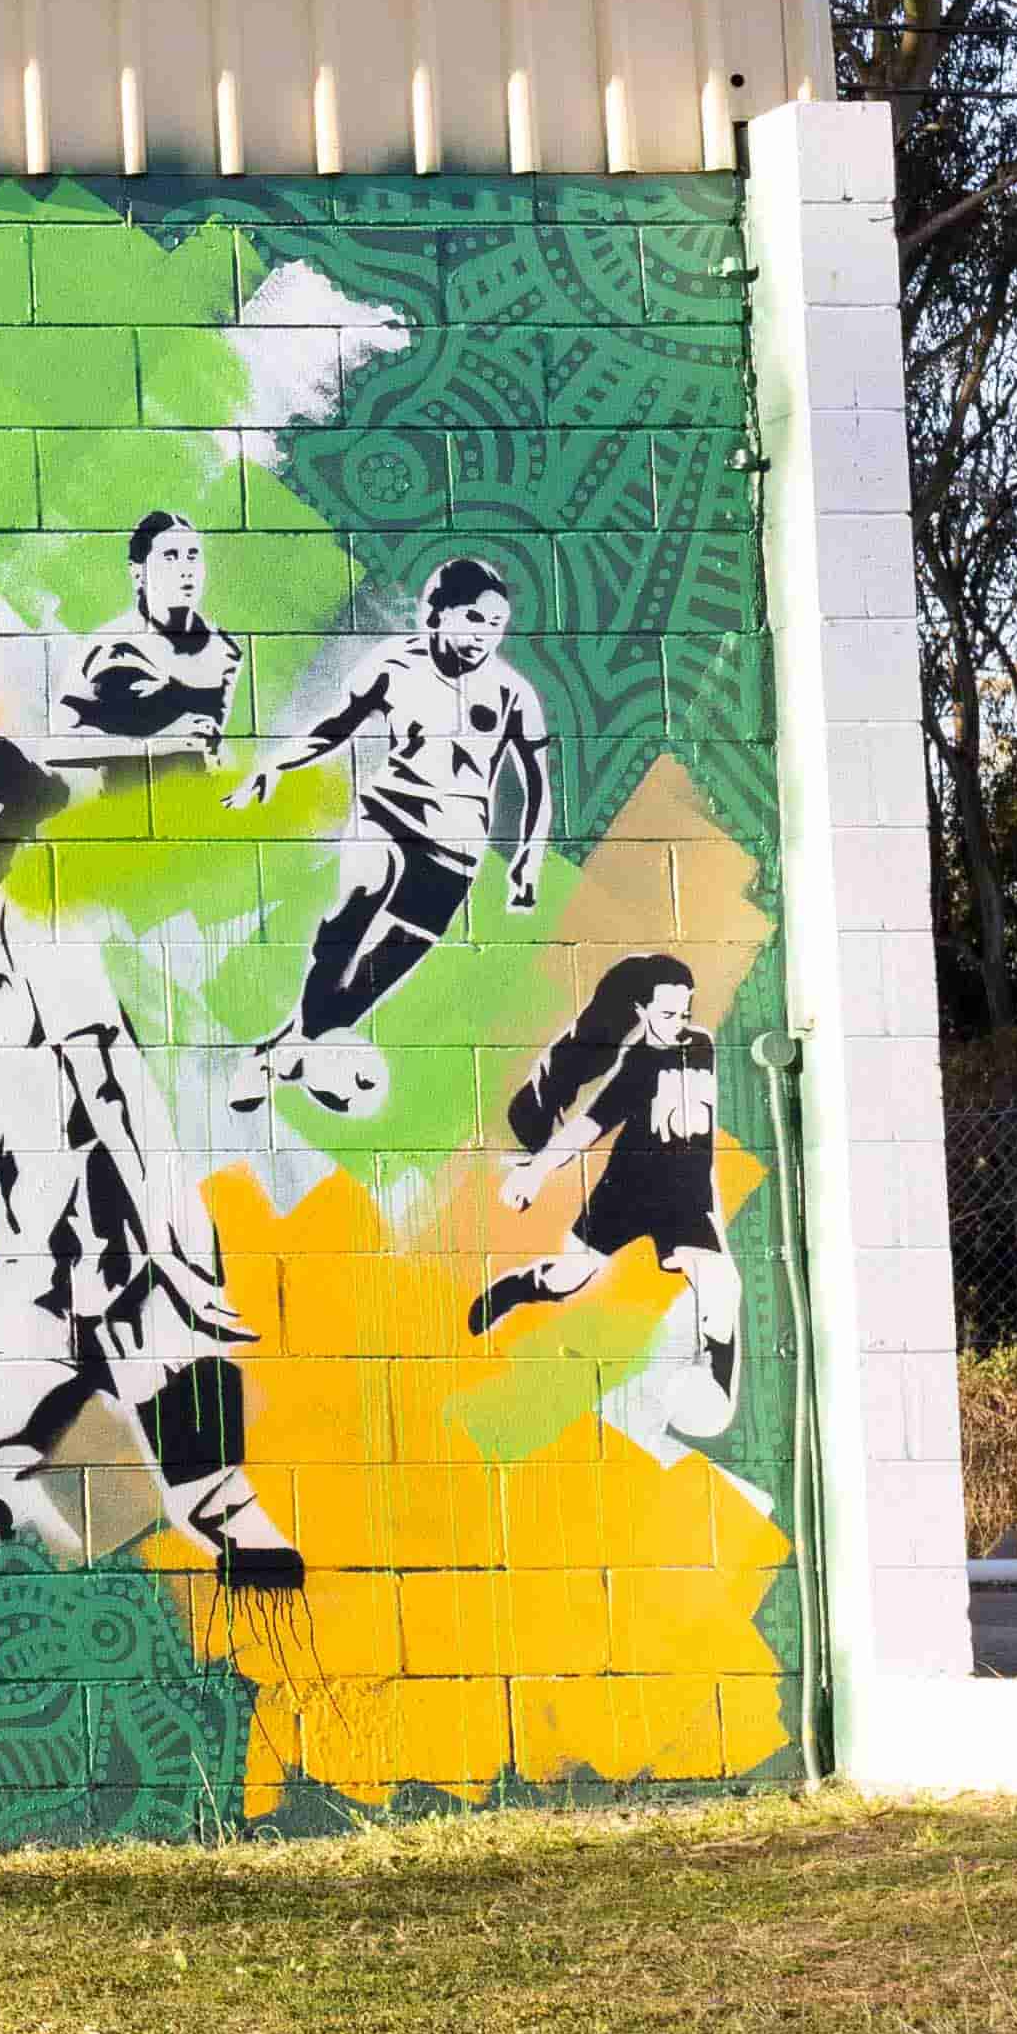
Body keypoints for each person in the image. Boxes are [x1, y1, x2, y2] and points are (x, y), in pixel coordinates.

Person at [0, 725, 305, 1589]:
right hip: (35, 1262)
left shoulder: (41, 925)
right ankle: (80, 1610)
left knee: (214, 1499)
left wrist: (174, 1261)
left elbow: (115, 1096)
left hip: (128, 1249)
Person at [229, 556, 557, 1117]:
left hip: (456, 849)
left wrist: (528, 860)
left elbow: (537, 788)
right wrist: (274, 765)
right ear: (440, 611)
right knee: (357, 902)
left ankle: (284, 1051)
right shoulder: (394, 665)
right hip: (388, 813)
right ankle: (291, 1052)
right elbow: (333, 729)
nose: (485, 636)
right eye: (475, 618)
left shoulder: (512, 693)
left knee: (382, 972)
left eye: (497, 626)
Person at [474, 956, 740, 1443]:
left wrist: (707, 1203)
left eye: (684, 1012)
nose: (679, 1024)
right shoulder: (638, 1063)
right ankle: (519, 1287)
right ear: (641, 1010)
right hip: (628, 1189)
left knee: (721, 1283)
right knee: (573, 1273)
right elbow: (589, 1126)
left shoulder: (701, 1045)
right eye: (666, 1015)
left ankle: (714, 1389)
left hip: (684, 1198)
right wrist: (536, 1171)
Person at [55, 510, 245, 763]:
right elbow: (58, 745)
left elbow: (214, 745)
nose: (186, 570)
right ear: (137, 572)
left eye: (193, 556)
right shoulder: (109, 646)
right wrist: (163, 743)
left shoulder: (226, 652)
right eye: (171, 556)